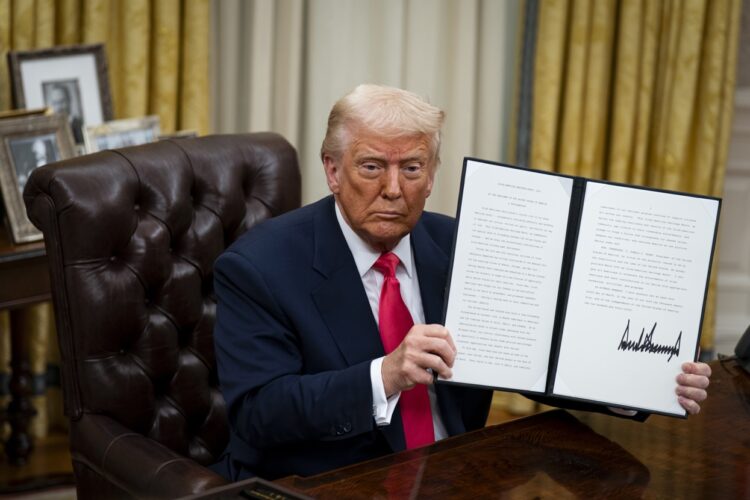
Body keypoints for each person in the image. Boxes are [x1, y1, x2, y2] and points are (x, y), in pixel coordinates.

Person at [213, 84, 711, 481]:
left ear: (431, 177)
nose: (393, 189)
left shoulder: (466, 244)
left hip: (458, 476)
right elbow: (259, 413)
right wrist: (385, 375)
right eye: (371, 167)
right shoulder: (258, 267)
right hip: (330, 480)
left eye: (412, 168)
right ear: (333, 171)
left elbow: (537, 360)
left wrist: (642, 381)